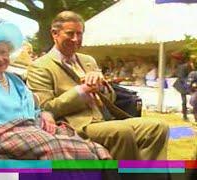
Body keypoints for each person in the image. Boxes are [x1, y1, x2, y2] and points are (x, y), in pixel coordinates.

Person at [0, 23, 111, 160]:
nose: (0, 58)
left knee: (92, 148)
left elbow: (34, 109)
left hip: (30, 129)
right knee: (55, 148)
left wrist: (44, 114)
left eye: (4, 52)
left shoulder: (14, 80)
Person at [27, 11, 169, 160]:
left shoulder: (88, 60)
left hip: (105, 119)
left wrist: (101, 86)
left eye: (79, 34)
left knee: (158, 127)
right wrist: (82, 91)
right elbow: (45, 108)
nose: (76, 39)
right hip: (75, 126)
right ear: (55, 34)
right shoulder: (40, 66)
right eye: (70, 34)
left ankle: (147, 175)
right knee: (121, 131)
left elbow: (110, 97)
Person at [173, 53, 196, 120]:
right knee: (184, 101)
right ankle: (184, 116)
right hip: (182, 85)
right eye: (193, 59)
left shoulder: (193, 66)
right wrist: (189, 83)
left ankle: (194, 115)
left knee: (194, 99)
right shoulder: (183, 66)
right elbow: (181, 77)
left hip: (190, 84)